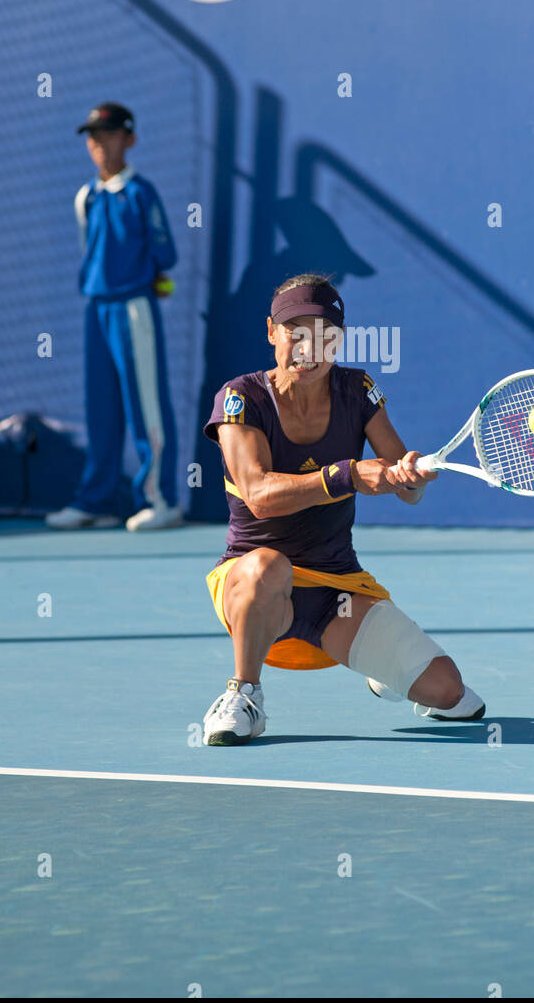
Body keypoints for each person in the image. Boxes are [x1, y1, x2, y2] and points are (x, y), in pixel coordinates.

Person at [201, 273, 485, 745]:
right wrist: (347, 475)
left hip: (338, 589)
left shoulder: (357, 389)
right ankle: (243, 694)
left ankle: (383, 668)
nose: (308, 348)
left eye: (323, 335)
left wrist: (410, 477)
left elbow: (405, 488)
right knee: (268, 565)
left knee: (452, 695)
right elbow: (258, 495)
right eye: (296, 332)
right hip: (255, 588)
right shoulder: (241, 398)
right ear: (272, 332)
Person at [46, 102, 183, 532]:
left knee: (146, 406)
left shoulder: (142, 193)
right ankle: (97, 500)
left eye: (107, 134)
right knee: (100, 407)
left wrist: (145, 279)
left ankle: (160, 500)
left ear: (129, 139)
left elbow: (166, 253)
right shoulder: (84, 197)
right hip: (96, 311)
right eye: (92, 136)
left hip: (133, 308)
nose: (98, 144)